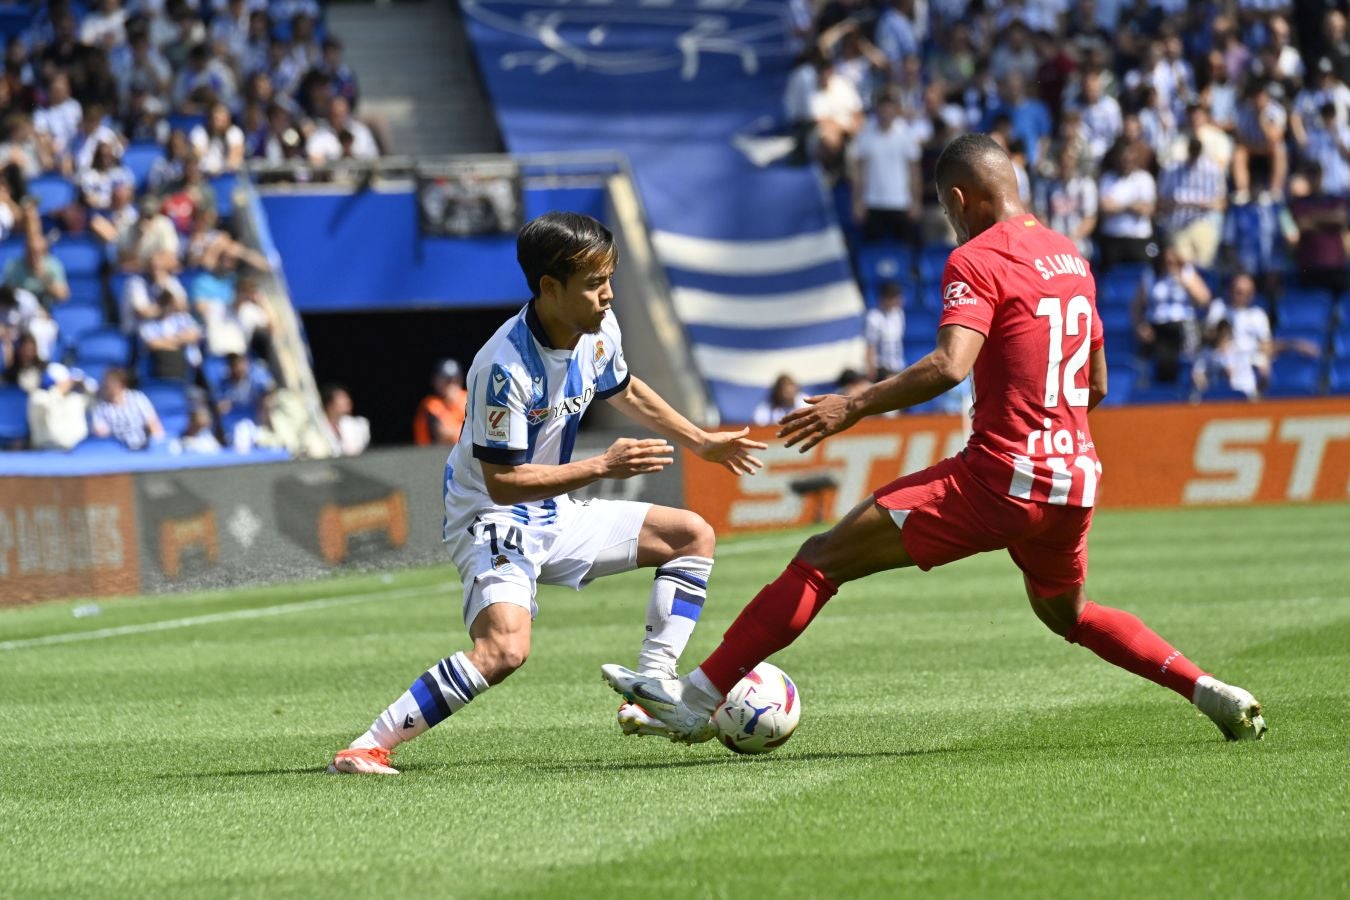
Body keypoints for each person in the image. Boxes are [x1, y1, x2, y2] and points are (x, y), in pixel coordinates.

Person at [602, 134, 1265, 747]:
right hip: (1073, 481)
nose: (949, 221)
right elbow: (1096, 385)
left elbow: (950, 364)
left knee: (820, 560)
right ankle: (1207, 688)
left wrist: (853, 404)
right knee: (1071, 615)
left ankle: (695, 698)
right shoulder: (1073, 260)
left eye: (947, 210)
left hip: (1001, 477)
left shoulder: (976, 258)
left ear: (958, 197)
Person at [329, 212, 766, 775]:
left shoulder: (598, 330)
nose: (608, 295)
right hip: (491, 516)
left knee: (690, 535)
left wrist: (700, 441)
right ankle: (367, 745)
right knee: (504, 651)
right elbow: (503, 482)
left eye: (610, 279)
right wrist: (603, 465)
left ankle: (653, 686)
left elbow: (625, 388)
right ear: (549, 288)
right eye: (594, 283)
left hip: (554, 509)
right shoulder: (503, 367)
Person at [850, 94, 922, 245]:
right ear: (876, 110)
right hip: (873, 203)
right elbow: (859, 172)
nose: (885, 113)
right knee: (873, 251)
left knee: (906, 249)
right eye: (882, 109)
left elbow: (914, 171)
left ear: (895, 110)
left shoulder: (906, 135)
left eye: (889, 109)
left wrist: (915, 202)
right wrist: (857, 202)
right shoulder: (865, 136)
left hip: (901, 203)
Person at [90, 366, 164, 450]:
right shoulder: (100, 405)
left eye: (112, 383)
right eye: (106, 384)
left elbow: (153, 424)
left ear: (121, 385)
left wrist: (156, 445)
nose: (108, 387)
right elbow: (100, 431)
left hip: (142, 446)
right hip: (116, 450)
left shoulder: (137, 398)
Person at [413, 358, 467, 446]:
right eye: (447, 380)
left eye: (455, 380)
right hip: (432, 453)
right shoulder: (431, 405)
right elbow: (442, 435)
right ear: (435, 381)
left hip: (465, 451)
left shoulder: (468, 398)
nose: (451, 384)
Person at [863, 281, 906, 380]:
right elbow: (870, 345)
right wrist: (871, 369)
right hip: (882, 368)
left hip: (898, 366)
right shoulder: (874, 317)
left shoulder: (899, 314)